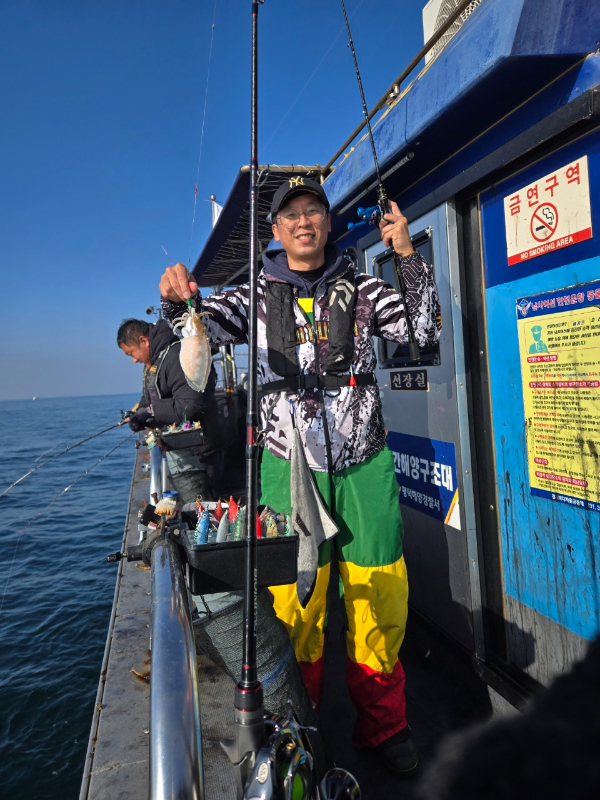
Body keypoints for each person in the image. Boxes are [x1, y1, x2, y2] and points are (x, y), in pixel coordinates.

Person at [158, 176, 441, 775]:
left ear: (328, 223)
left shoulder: (367, 287)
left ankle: (385, 728)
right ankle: (297, 726)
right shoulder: (252, 296)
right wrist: (178, 300)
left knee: (380, 597)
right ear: (276, 231)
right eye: (292, 215)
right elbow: (200, 323)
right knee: (295, 606)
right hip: (287, 467)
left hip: (364, 464)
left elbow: (423, 332)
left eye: (314, 210)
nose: (304, 221)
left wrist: (406, 254)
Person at [117, 317, 223, 502]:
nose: (133, 360)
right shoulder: (154, 361)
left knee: (205, 509)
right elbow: (151, 396)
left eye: (131, 353)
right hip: (180, 451)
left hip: (200, 453)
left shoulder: (175, 356)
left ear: (144, 340)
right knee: (193, 509)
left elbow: (190, 406)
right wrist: (139, 417)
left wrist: (151, 411)